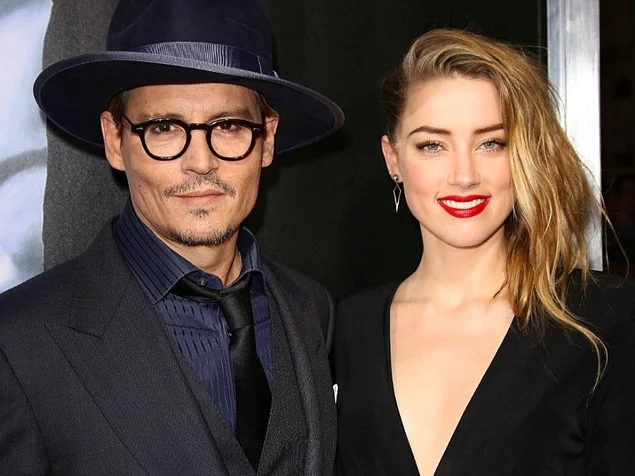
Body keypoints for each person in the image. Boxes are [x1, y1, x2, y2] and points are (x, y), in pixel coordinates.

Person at [0, 0, 343, 474]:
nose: (201, 162)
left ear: (266, 139)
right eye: (164, 128)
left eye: (228, 126)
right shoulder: (17, 344)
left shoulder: (312, 310)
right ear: (115, 141)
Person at [334, 28, 635, 475]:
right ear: (393, 159)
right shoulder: (342, 330)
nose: (464, 175)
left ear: (523, 155)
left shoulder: (605, 320)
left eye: (491, 143)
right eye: (432, 145)